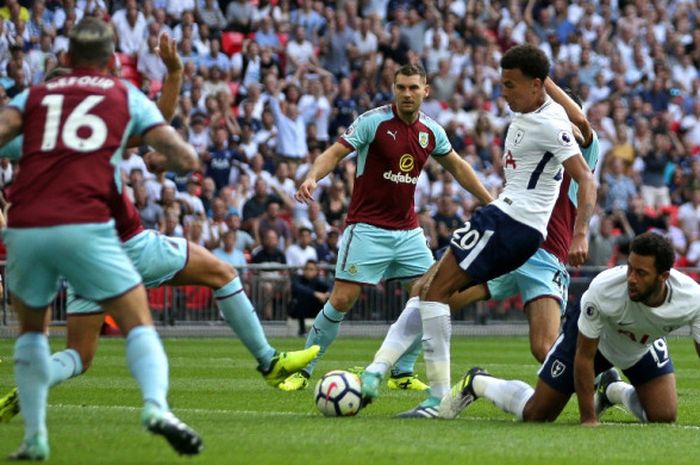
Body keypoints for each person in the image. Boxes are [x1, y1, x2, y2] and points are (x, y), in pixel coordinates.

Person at [0, 29, 319, 436]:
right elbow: (161, 129)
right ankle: (268, 362)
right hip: (122, 242)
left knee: (79, 354)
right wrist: (173, 80)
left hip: (75, 254)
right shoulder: (104, 111)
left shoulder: (34, 131)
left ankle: (37, 378)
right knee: (222, 273)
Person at [0, 18, 202, 459]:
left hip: (26, 226)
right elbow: (182, 154)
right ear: (112, 60)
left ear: (66, 59)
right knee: (136, 323)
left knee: (32, 334)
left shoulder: (34, 97)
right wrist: (177, 162)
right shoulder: (121, 93)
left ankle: (35, 438)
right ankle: (155, 407)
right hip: (85, 224)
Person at [361, 44, 597, 418]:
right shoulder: (537, 112)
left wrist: (581, 233)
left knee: (438, 294)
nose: (502, 92)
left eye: (510, 85)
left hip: (522, 232)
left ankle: (436, 399)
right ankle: (378, 372)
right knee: (432, 292)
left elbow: (584, 154)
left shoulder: (557, 126)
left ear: (538, 86)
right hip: (514, 229)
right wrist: (536, 74)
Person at [282, 63, 494, 391]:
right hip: (367, 229)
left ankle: (402, 372)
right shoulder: (374, 122)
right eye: (401, 87)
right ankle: (303, 369)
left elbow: (459, 167)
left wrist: (489, 200)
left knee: (433, 295)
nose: (407, 94)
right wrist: (312, 176)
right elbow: (335, 153)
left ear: (426, 91)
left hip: (408, 232)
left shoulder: (431, 131)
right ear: (393, 89)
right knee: (341, 300)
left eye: (413, 88)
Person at [441, 232, 700, 426]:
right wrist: (588, 418)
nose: (631, 278)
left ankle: (612, 390)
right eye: (630, 268)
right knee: (537, 415)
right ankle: (478, 382)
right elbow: (584, 355)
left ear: (664, 277)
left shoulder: (693, 300)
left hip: (642, 342)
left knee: (664, 416)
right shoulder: (605, 289)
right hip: (595, 341)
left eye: (641, 273)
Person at [447, 79, 600, 363]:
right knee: (444, 296)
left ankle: (603, 380)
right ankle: (403, 371)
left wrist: (541, 77)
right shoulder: (537, 137)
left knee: (544, 348)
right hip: (511, 244)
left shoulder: (584, 149)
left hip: (545, 255)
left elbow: (581, 121)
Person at [289, 260, 330, 337]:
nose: (308, 271)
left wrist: (326, 294)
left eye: (311, 269)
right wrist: (315, 294)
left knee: (326, 302)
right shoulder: (297, 278)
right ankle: (302, 330)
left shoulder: (317, 281)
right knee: (301, 299)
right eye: (306, 269)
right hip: (297, 310)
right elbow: (297, 288)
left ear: (316, 271)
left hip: (314, 309)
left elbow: (330, 287)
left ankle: (323, 330)